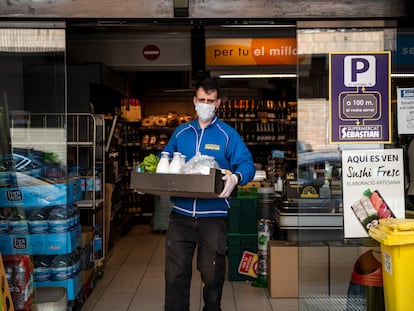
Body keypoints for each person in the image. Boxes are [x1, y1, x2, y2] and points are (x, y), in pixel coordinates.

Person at [161, 77, 256, 311]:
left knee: (212, 275)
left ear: (218, 103)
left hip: (213, 216)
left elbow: (247, 164)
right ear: (194, 101)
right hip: (180, 216)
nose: (205, 104)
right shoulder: (181, 133)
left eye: (210, 101)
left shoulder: (227, 135)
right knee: (175, 276)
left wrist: (235, 177)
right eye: (201, 99)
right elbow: (164, 160)